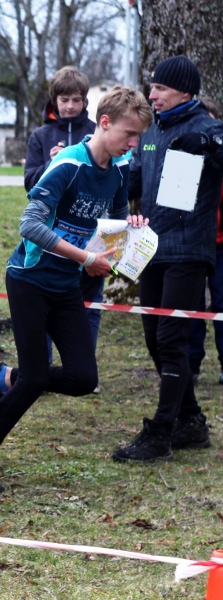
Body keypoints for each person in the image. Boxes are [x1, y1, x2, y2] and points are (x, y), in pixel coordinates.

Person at [0, 86, 151, 492]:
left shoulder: (117, 172)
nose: (133, 145)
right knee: (33, 379)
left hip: (67, 284)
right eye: (129, 135)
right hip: (29, 280)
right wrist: (85, 258)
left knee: (83, 378)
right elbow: (29, 225)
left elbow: (114, 222)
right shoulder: (68, 165)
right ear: (105, 123)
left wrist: (128, 230)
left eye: (138, 139)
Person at [113, 56, 223, 464]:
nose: (152, 94)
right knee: (153, 340)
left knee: (171, 339)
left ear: (185, 92)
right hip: (150, 250)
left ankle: (161, 432)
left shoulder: (207, 128)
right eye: (152, 87)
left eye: (159, 88)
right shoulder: (152, 132)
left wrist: (210, 145)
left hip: (189, 252)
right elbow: (134, 180)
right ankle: (191, 421)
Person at [25, 67, 103, 354]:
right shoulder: (41, 136)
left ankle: (84, 363)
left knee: (89, 305)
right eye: (64, 100)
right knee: (44, 300)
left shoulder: (96, 133)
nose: (70, 106)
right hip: (49, 229)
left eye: (76, 100)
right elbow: (29, 182)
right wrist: (52, 165)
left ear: (84, 101)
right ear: (54, 100)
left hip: (89, 228)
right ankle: (40, 368)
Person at [186, 96, 222, 384]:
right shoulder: (187, 161)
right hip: (194, 244)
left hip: (221, 244)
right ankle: (192, 363)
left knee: (221, 303)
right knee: (192, 306)